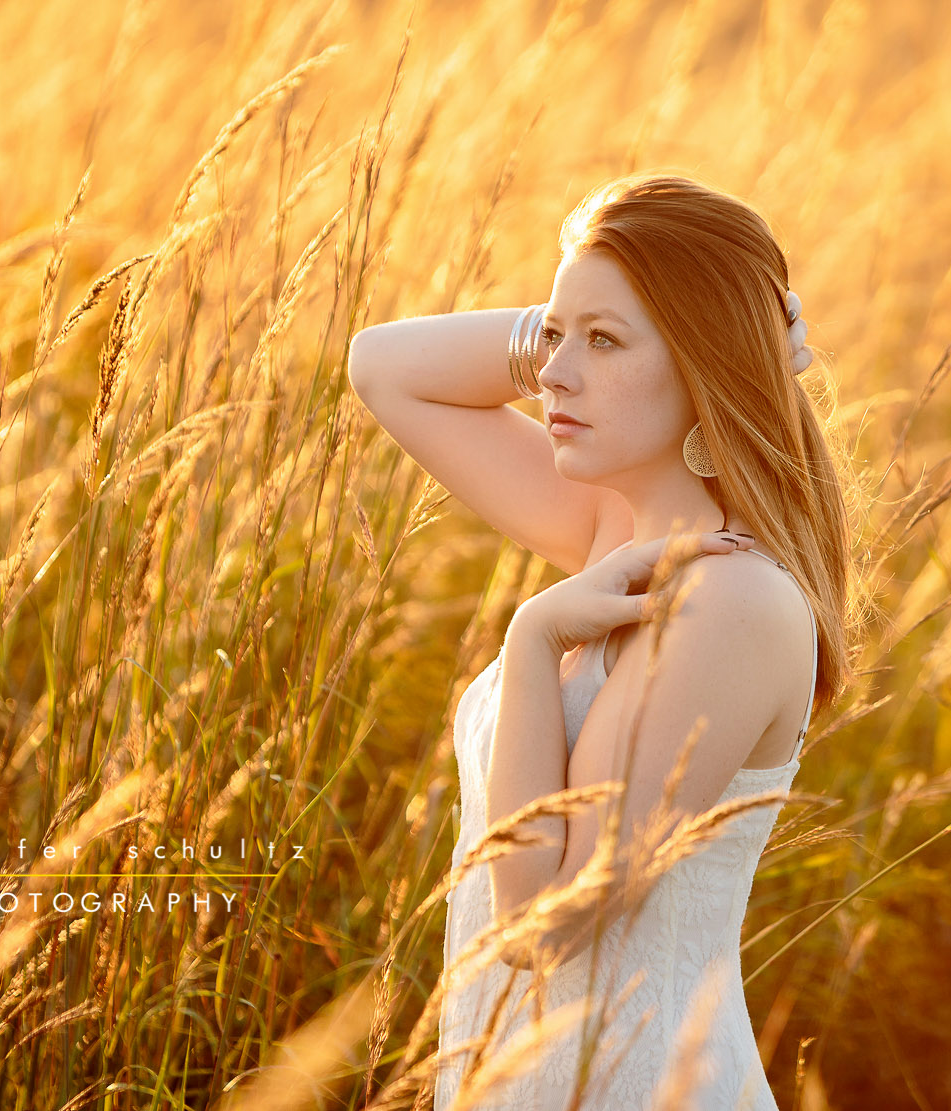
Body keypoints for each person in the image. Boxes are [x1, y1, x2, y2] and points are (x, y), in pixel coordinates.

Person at [346, 171, 855, 1108]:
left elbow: (544, 927)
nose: (551, 372)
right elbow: (382, 364)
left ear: (706, 365)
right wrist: (585, 307)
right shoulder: (611, 531)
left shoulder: (730, 599)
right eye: (552, 337)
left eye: (604, 341)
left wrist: (535, 640)